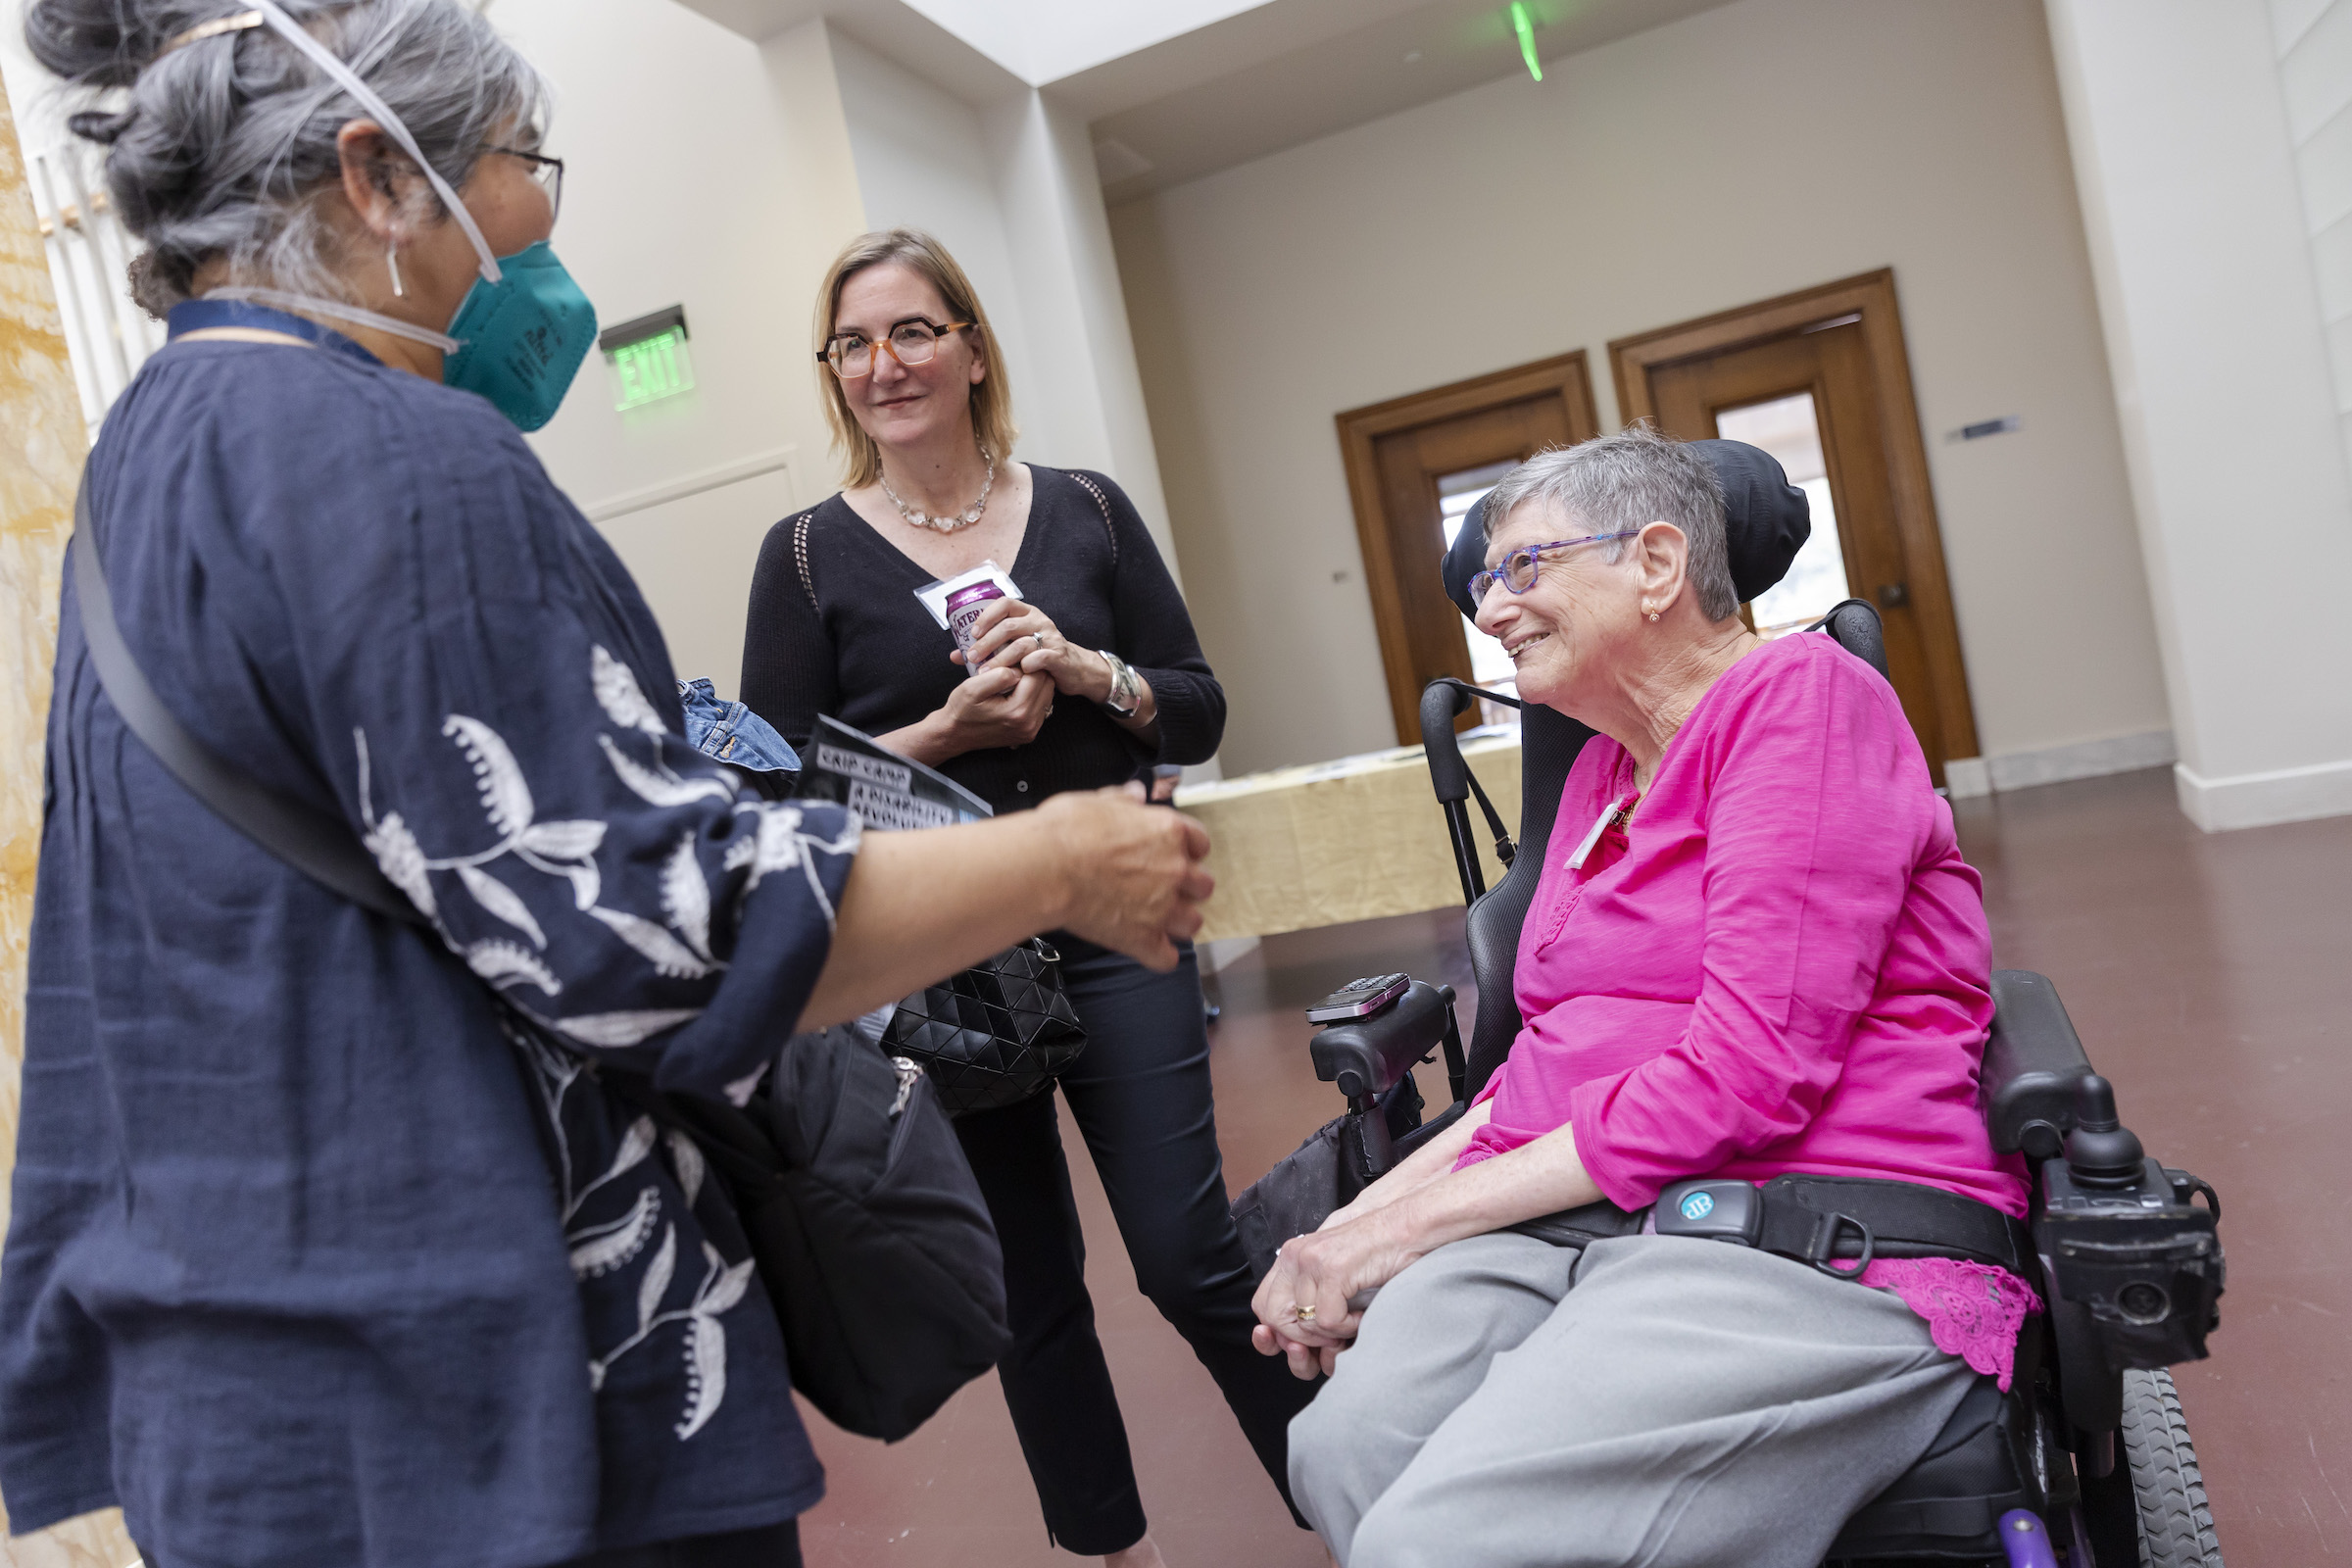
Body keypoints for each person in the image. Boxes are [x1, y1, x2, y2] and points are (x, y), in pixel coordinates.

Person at [0, 8, 1213, 1568]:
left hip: (263, 1388)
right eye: (524, 166)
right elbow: (661, 934)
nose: (545, 223)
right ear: (378, 178)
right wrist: (1060, 863)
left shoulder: (155, 456)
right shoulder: (394, 454)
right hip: (486, 1378)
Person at [1253, 427, 2039, 1568]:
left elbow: (1746, 1075)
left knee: (1442, 1540)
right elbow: (1536, 1073)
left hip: (1807, 1226)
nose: (1490, 609)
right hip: (1590, 1211)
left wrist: (1407, 1230)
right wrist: (1343, 1234)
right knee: (1339, 1455)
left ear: (1658, 564)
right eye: (1483, 580)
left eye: (1523, 567)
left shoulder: (1799, 702)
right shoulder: (1599, 775)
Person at [739, 228, 1314, 1568]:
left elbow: (1199, 706)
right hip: (943, 961)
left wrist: (1088, 671)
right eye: (854, 344)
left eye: (914, 331)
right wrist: (939, 733)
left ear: (973, 346)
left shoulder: (1089, 509)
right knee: (1031, 1293)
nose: (885, 364)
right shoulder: (808, 556)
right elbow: (769, 796)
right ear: (834, 375)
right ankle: (1111, 1551)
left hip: (1119, 927)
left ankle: (1349, 1499)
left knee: (1188, 1261)